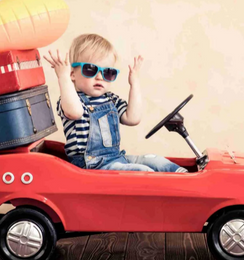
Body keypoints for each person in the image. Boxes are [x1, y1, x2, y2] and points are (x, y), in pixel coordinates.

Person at [43, 33, 188, 173]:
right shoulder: (71, 100)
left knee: (155, 161)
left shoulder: (111, 99)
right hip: (89, 166)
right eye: (90, 70)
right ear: (72, 74)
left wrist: (134, 84)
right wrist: (63, 77)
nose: (100, 77)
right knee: (142, 172)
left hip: (116, 158)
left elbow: (132, 119)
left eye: (108, 73)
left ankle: (186, 179)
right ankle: (160, 190)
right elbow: (75, 112)